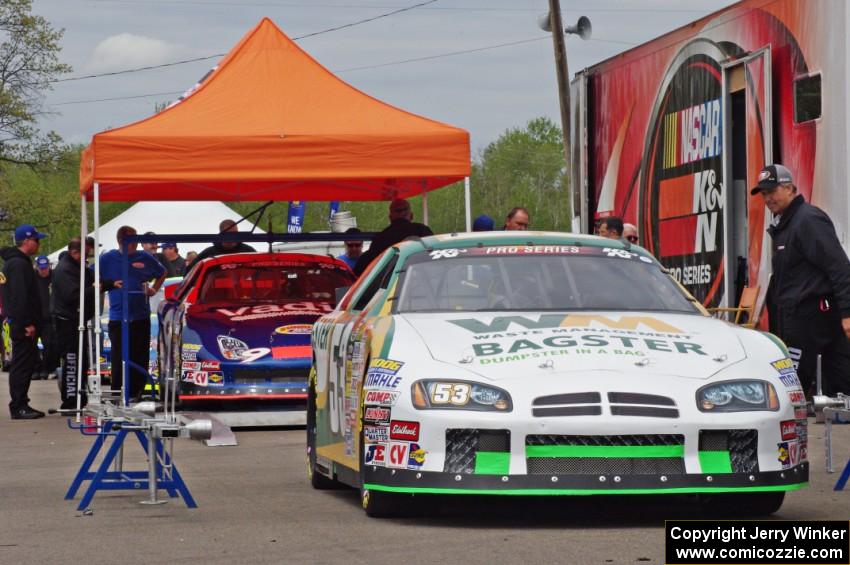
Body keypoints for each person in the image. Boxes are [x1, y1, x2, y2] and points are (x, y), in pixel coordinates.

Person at [752, 164, 850, 396]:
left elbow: (839, 267)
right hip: (798, 320)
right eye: (764, 194)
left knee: (792, 390)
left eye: (772, 191)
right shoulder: (785, 224)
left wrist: (847, 314)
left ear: (789, 188)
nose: (768, 199)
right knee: (832, 387)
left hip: (813, 318)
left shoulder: (807, 220)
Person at [100, 226, 166, 401]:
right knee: (119, 358)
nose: (136, 244)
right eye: (132, 241)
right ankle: (117, 393)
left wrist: (153, 289)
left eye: (137, 241)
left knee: (139, 356)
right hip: (118, 318)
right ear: (121, 241)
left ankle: (137, 393)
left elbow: (162, 272)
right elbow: (92, 279)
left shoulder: (144, 257)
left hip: (140, 316)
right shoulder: (107, 259)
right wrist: (108, 284)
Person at [53, 237, 112, 409]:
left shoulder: (79, 267)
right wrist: (94, 289)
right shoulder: (65, 269)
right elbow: (72, 295)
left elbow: (92, 282)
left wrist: (108, 284)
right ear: (74, 252)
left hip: (78, 320)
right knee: (72, 361)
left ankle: (79, 396)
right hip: (68, 321)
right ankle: (70, 400)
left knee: (82, 361)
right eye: (86, 253)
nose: (88, 257)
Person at [1, 224, 47, 419]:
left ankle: (21, 402)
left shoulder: (17, 262)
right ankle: (19, 405)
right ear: (26, 241)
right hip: (22, 324)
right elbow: (19, 297)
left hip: (21, 321)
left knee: (26, 363)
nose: (38, 244)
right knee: (22, 364)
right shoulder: (18, 265)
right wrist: (26, 322)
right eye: (36, 240)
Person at [353, 199, 433, 276]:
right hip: (422, 279)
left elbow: (361, 268)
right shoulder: (422, 231)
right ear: (411, 215)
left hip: (391, 285)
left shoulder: (380, 238)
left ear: (390, 217)